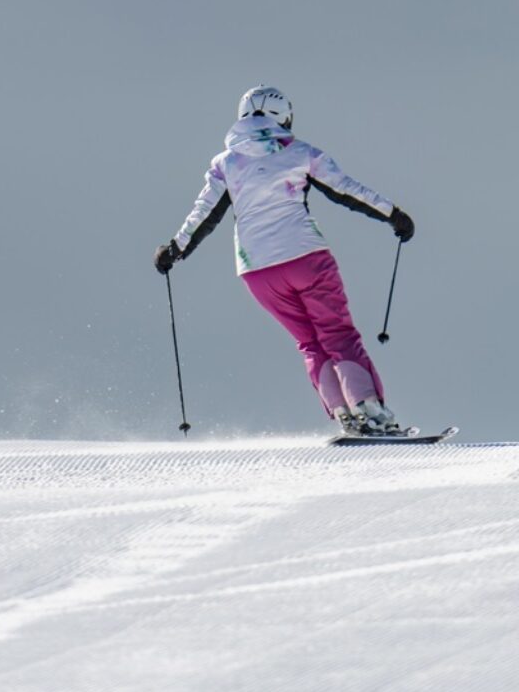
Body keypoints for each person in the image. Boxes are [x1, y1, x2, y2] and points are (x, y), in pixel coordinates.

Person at [155, 86, 415, 437]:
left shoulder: (226, 164)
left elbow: (205, 214)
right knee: (338, 334)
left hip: (258, 272)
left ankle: (344, 414)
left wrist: (175, 249)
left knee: (310, 342)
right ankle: (371, 411)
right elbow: (345, 190)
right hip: (306, 259)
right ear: (283, 118)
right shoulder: (299, 152)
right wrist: (393, 214)